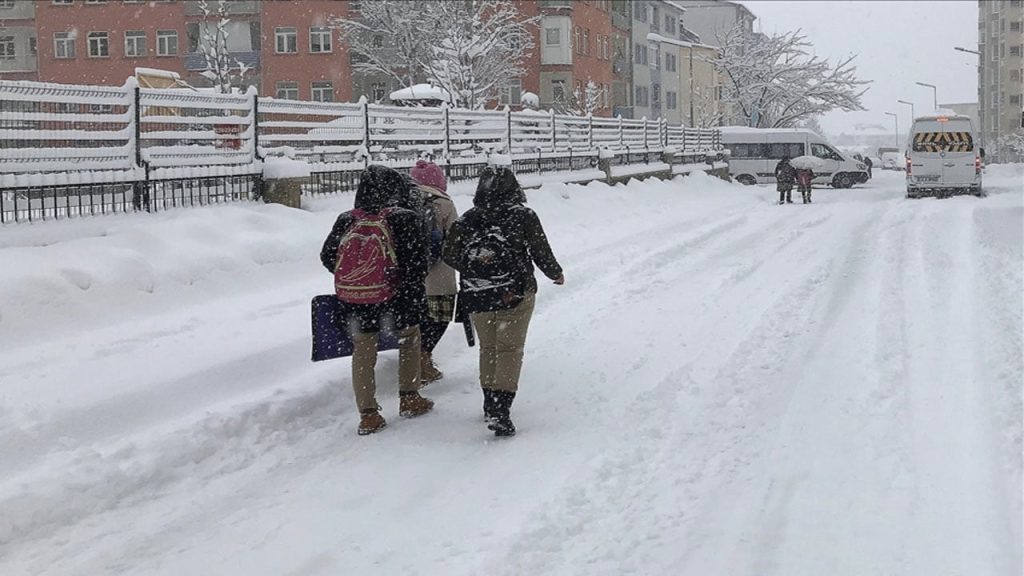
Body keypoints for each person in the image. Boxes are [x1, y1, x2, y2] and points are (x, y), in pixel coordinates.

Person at [443, 165, 564, 437]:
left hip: (477, 293)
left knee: (489, 348)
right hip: (515, 292)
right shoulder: (523, 216)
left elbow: (449, 253)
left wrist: (476, 266)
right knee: (509, 349)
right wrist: (555, 273)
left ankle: (489, 402)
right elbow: (540, 250)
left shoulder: (468, 219)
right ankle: (501, 408)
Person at [320, 165, 434, 436]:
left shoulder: (347, 218)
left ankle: (368, 415)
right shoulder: (403, 217)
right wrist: (398, 282)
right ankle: (409, 397)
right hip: (399, 296)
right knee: (409, 339)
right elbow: (418, 261)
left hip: (356, 299)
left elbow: (327, 256)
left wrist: (360, 277)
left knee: (363, 351)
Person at [409, 160, 459, 383]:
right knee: (439, 318)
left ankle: (411, 359)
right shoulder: (444, 203)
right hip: (439, 274)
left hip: (410, 273)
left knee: (415, 318)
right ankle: (424, 357)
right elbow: (455, 239)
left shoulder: (401, 201)